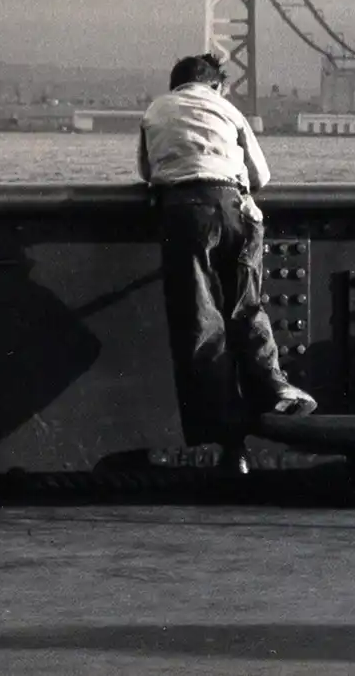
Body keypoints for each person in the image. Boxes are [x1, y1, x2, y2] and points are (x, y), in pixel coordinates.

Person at [138, 54, 315, 469]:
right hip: (234, 206)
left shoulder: (155, 109)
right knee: (246, 305)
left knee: (200, 318)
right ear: (216, 86)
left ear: (176, 83)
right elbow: (262, 176)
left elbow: (147, 171)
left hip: (183, 210)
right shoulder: (230, 110)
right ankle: (277, 390)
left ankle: (225, 440)